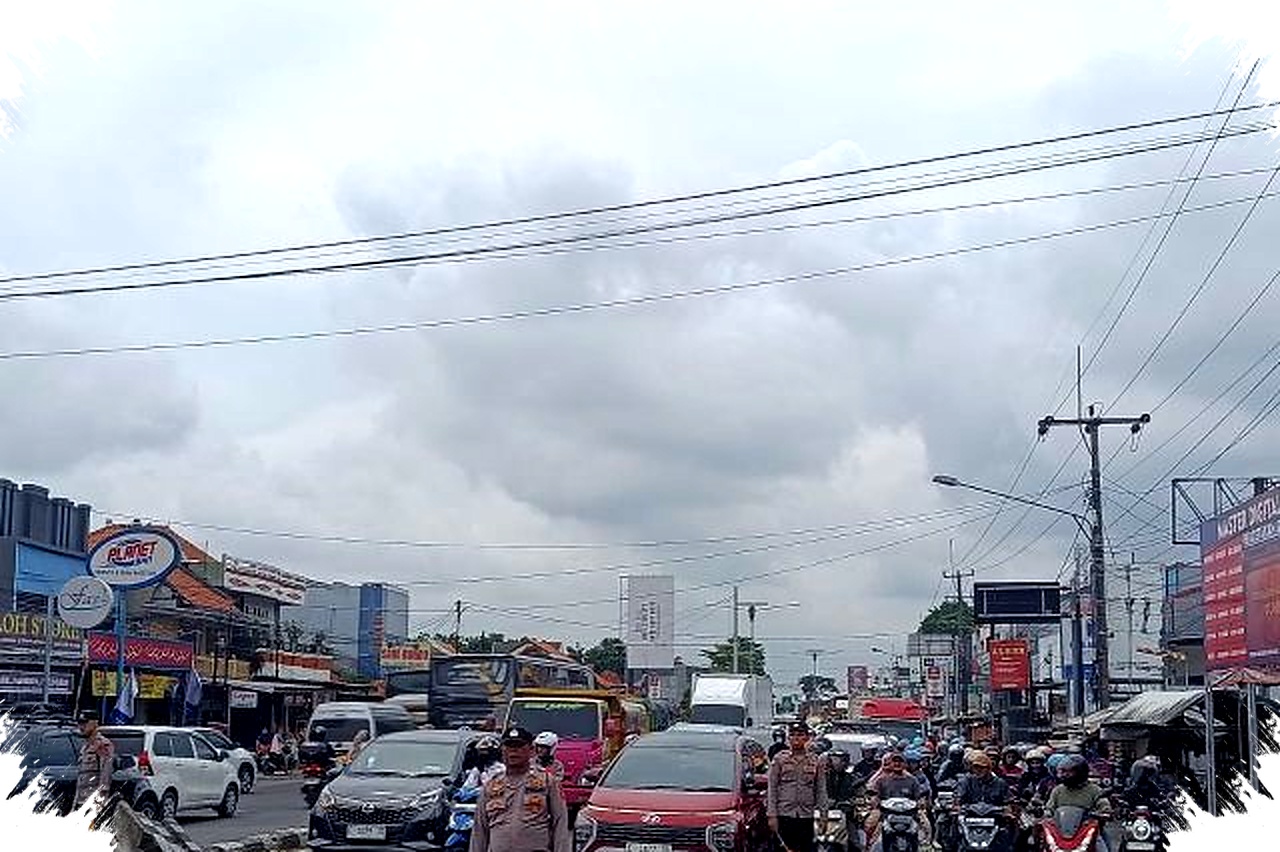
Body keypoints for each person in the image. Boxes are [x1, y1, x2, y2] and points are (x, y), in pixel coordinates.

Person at [470, 726, 571, 852]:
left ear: (531, 750)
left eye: (519, 746)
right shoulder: (491, 785)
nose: (513, 751)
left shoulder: (547, 781)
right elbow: (480, 830)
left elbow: (560, 822)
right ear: (502, 750)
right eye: (509, 746)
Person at [767, 722, 828, 852]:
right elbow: (772, 789)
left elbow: (821, 790)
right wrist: (772, 815)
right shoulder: (779, 759)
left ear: (807, 738)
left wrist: (823, 815)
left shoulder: (815, 761)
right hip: (784, 815)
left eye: (800, 735)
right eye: (793, 735)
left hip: (806, 816)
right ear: (788, 738)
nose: (796, 738)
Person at [1044, 754, 1112, 849]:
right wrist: (1046, 813)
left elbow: (1105, 808)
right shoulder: (1058, 790)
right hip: (1061, 834)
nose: (1064, 775)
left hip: (1088, 832)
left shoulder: (1094, 790)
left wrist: (1103, 813)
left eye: (1069, 772)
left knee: (1103, 848)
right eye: (1063, 772)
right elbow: (1049, 808)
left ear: (1080, 772)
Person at [866, 751, 929, 846]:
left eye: (900, 761)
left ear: (905, 764)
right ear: (890, 763)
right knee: (870, 825)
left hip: (909, 813)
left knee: (927, 827)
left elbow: (919, 796)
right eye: (894, 761)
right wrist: (875, 800)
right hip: (886, 813)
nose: (897, 764)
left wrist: (921, 802)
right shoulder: (882, 780)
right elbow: (874, 794)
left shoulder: (912, 780)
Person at [74, 710, 115, 810]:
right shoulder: (85, 747)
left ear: (95, 723)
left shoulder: (102, 745)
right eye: (80, 723)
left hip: (93, 802)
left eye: (85, 723)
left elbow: (105, 774)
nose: (81, 726)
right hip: (81, 801)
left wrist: (99, 803)